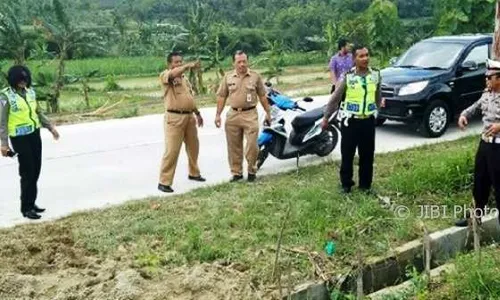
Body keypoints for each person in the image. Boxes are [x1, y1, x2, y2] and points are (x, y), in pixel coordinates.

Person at [321, 44, 385, 194]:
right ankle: (346, 185)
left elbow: (378, 96)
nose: (365, 58)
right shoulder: (348, 77)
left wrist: (377, 112)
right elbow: (335, 99)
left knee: (367, 155)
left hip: (368, 122)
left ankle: (365, 186)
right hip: (350, 122)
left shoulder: (375, 75)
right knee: (348, 154)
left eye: (367, 55)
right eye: (361, 56)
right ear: (354, 59)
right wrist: (326, 118)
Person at [0, 65, 60, 220]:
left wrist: (50, 128)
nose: (23, 82)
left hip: (34, 134)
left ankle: (32, 203)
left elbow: (38, 112)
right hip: (19, 138)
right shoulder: (5, 96)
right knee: (27, 171)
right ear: (13, 80)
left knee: (36, 170)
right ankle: (25, 208)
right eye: (20, 80)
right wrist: (4, 144)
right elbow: (2, 122)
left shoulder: (30, 92)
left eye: (25, 79)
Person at [455, 58, 500, 227]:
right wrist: (464, 115)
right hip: (485, 144)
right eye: (486, 77)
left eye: (490, 77)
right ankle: (475, 217)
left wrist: (499, 126)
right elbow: (475, 106)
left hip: (498, 147)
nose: (486, 80)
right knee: (480, 181)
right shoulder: (487, 94)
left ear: (499, 78)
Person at [215, 50, 271, 182]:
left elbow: (262, 96)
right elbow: (222, 96)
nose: (242, 64)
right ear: (233, 63)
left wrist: (268, 113)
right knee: (234, 147)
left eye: (244, 61)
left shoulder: (255, 77)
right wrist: (218, 114)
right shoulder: (228, 77)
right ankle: (236, 173)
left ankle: (252, 170)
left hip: (250, 114)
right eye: (239, 62)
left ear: (248, 61)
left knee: (252, 145)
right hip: (233, 115)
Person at [158, 51, 205, 193]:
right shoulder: (165, 76)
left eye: (180, 61)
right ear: (169, 64)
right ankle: (164, 182)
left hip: (189, 117)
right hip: (174, 119)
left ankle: (194, 173)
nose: (179, 64)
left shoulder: (184, 79)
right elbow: (173, 74)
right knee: (172, 151)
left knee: (193, 147)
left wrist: (197, 113)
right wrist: (188, 66)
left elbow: (189, 98)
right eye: (176, 62)